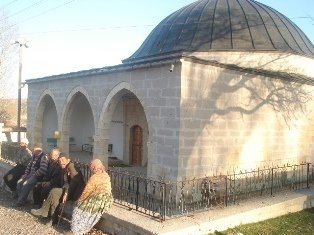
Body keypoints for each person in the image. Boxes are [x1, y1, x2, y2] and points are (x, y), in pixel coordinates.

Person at [30, 152, 85, 223]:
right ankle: (52, 218)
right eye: (59, 160)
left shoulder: (71, 166)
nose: (61, 162)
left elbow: (74, 182)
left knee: (54, 192)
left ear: (68, 160)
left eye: (63, 160)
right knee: (53, 192)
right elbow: (62, 181)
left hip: (75, 192)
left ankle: (46, 212)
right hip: (67, 189)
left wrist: (66, 193)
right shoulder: (63, 168)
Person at [67, 159, 113, 235]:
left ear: (94, 168)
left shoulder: (94, 177)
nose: (91, 169)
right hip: (106, 199)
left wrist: (80, 200)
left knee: (79, 208)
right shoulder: (105, 174)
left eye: (91, 168)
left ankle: (76, 230)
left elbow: (87, 191)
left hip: (98, 198)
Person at [13, 143, 48, 207]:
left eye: (33, 149)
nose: (32, 150)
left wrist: (34, 175)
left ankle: (20, 202)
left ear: (38, 150)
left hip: (37, 176)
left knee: (26, 184)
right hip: (30, 174)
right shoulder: (34, 156)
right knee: (19, 182)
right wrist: (25, 174)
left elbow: (43, 169)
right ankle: (22, 199)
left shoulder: (43, 157)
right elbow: (29, 166)